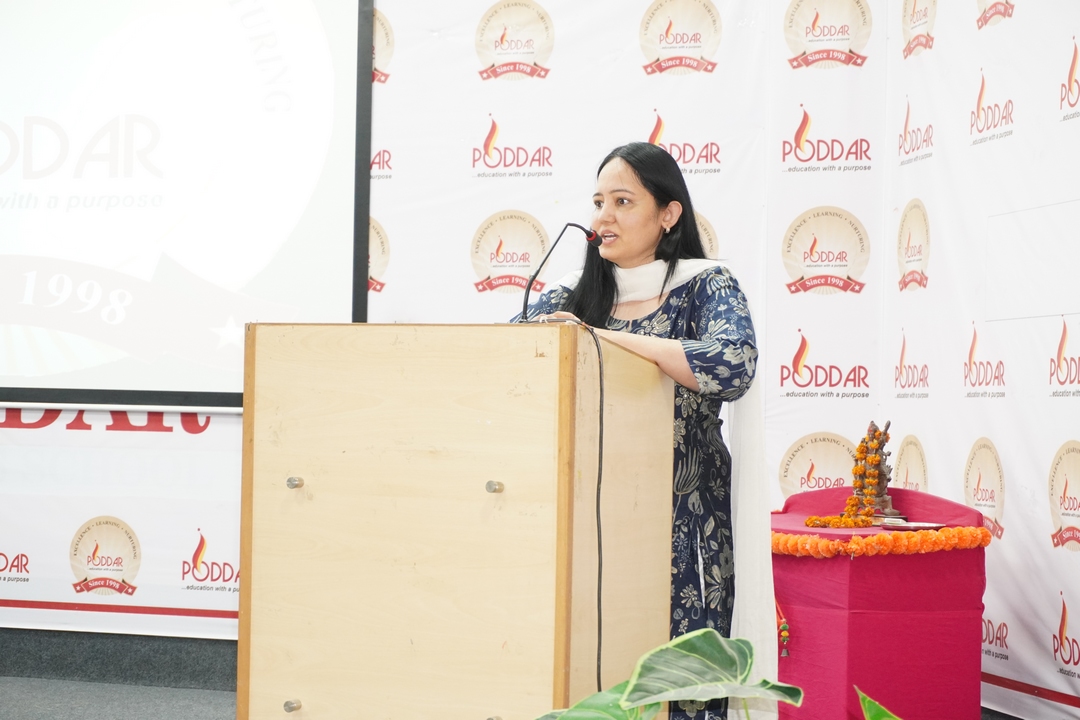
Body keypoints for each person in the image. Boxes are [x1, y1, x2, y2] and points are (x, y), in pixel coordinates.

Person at [516, 142, 757, 720]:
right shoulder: (571, 295)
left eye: (623, 202)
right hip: (582, 522)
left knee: (679, 684)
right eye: (599, 202)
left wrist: (602, 339)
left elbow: (732, 365)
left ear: (669, 214)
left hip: (682, 520)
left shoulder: (705, 286)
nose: (604, 217)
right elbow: (510, 365)